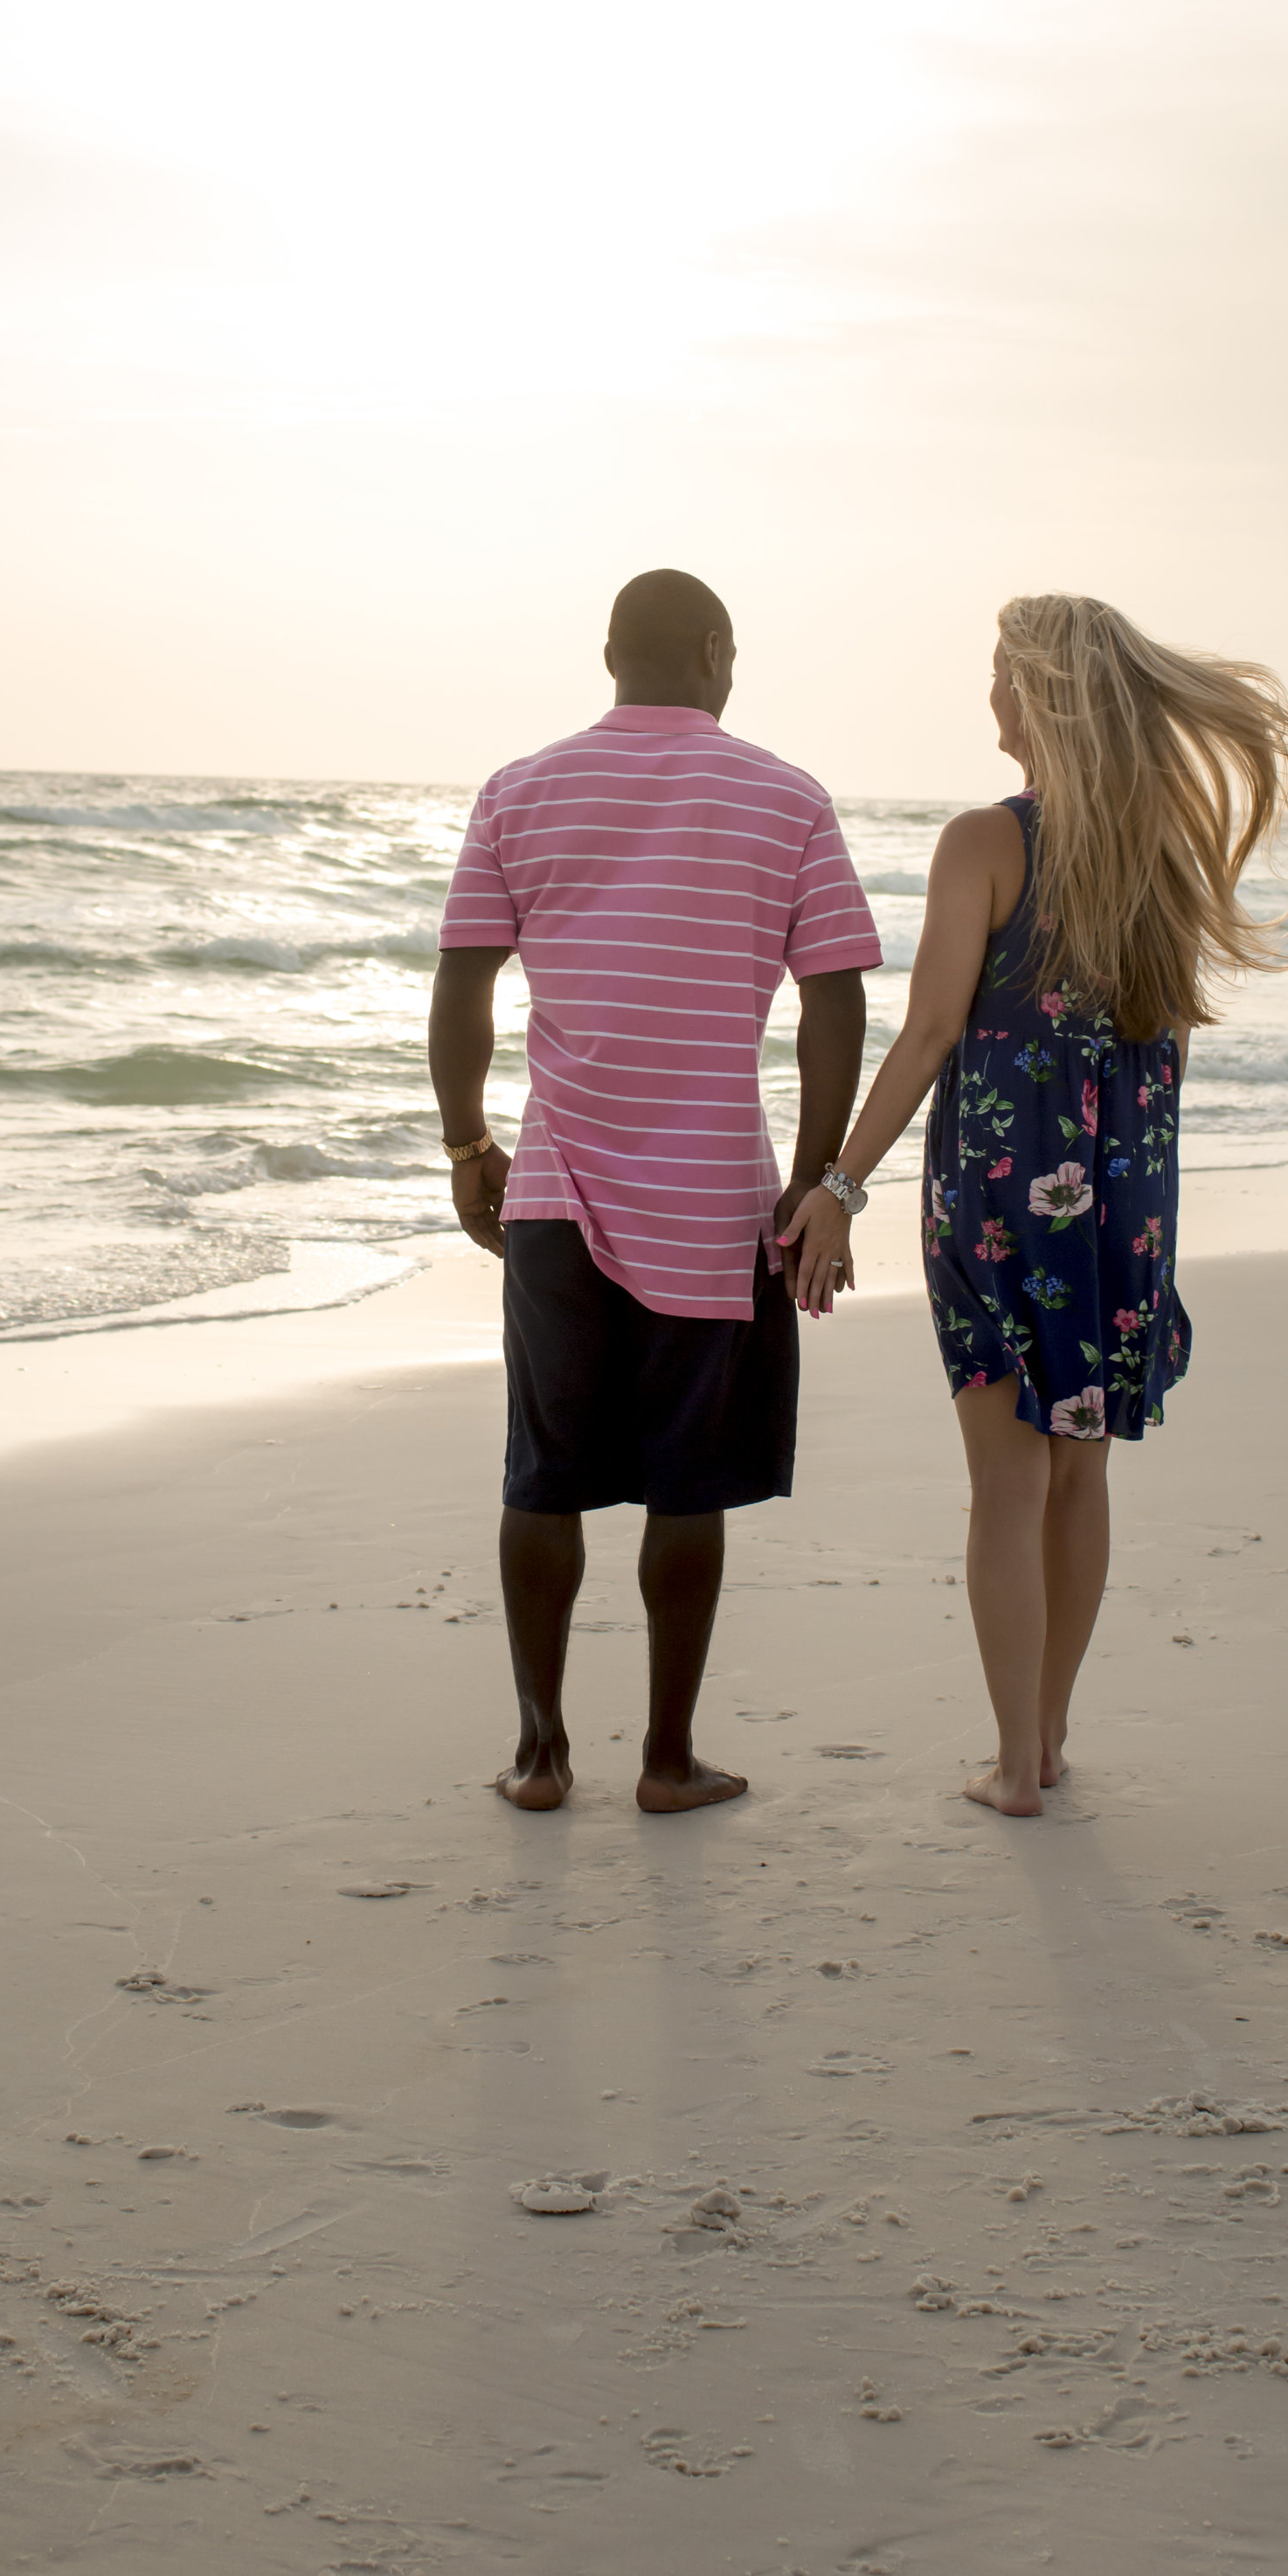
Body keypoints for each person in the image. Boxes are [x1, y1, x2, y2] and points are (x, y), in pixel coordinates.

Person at [779, 593, 1288, 1815]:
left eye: (1001, 678)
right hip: (1125, 1205)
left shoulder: (985, 842)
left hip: (1001, 1201)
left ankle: (1014, 1764)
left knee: (1005, 1490)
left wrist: (838, 1187)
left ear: (1042, 698)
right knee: (1080, 1478)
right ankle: (1051, 1740)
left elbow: (927, 1035)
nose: (989, 700)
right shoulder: (1161, 858)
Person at [427, 569, 880, 1815]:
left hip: (557, 1193)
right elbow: (834, 996)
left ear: (611, 654)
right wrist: (815, 1176)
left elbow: (465, 983)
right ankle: (669, 1761)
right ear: (715, 654)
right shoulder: (785, 796)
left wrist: (469, 1145)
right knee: (688, 1485)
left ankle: (539, 1753)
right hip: (710, 1199)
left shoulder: (518, 789)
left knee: (543, 1473)